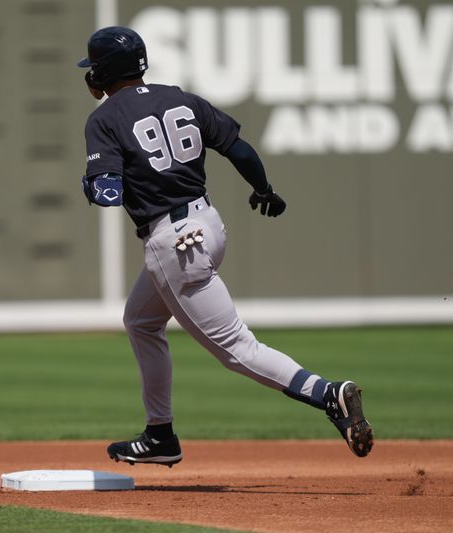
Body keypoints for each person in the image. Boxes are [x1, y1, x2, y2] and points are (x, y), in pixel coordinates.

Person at [77, 26, 373, 466]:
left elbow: (107, 193)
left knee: (238, 349)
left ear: (103, 71)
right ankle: (160, 435)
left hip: (172, 242)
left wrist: (95, 182)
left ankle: (328, 394)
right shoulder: (183, 99)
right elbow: (238, 149)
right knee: (140, 320)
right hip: (207, 226)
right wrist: (264, 188)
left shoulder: (105, 119)